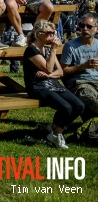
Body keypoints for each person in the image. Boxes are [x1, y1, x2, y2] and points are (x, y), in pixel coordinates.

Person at [23, 20, 84, 149]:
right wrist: (53, 51)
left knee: (79, 106)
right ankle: (56, 133)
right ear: (39, 34)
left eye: (53, 32)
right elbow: (49, 68)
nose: (53, 35)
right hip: (37, 86)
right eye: (49, 33)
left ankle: (55, 131)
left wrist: (49, 75)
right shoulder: (31, 50)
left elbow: (60, 72)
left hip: (52, 83)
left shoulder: (46, 49)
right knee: (66, 108)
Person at [61, 12, 98, 117]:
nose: (84, 29)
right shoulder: (70, 46)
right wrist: (83, 66)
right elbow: (62, 71)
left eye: (89, 26)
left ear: (97, 29)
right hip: (81, 83)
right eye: (82, 25)